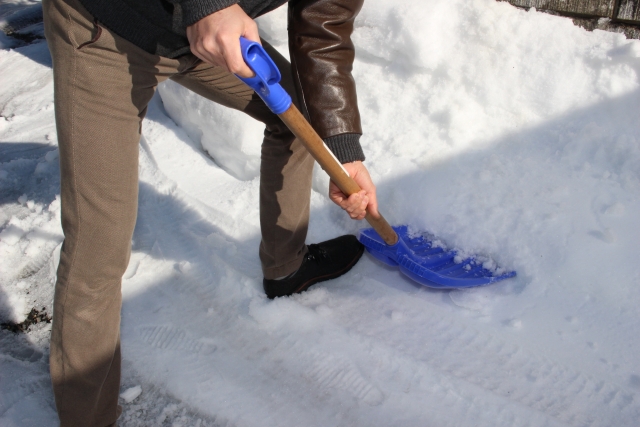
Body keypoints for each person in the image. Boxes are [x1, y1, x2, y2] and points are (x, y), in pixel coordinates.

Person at [42, 0, 377, 425]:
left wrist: (344, 151)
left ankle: (286, 267)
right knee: (99, 243)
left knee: (298, 121)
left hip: (200, 41)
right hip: (106, 29)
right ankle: (86, 419)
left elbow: (323, 26)